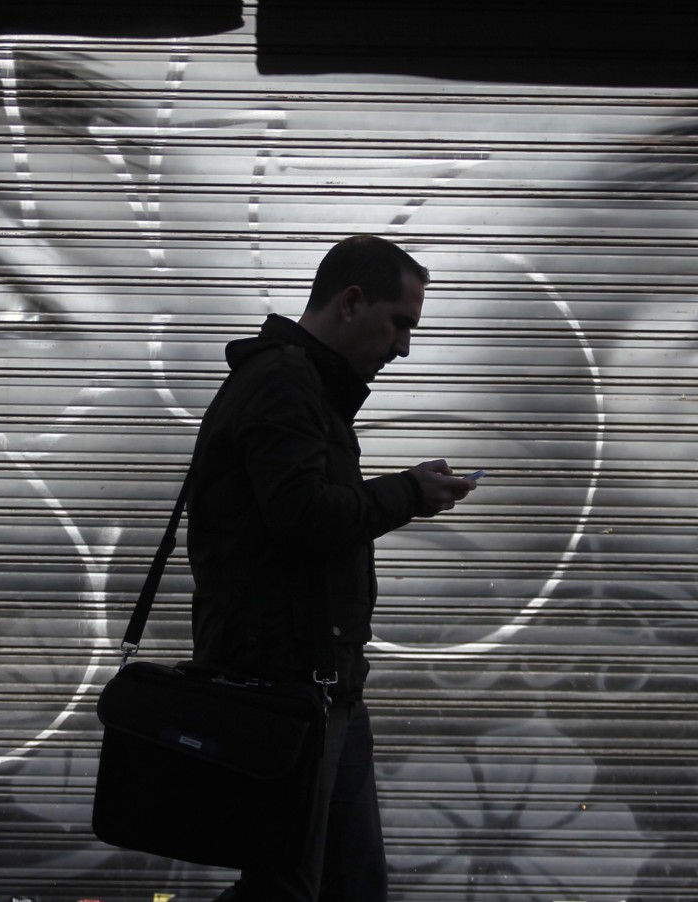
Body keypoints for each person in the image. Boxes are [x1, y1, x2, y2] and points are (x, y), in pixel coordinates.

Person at [186, 234, 478, 902]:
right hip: (286, 687)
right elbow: (303, 516)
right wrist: (409, 493)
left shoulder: (304, 385)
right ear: (351, 303)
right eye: (399, 323)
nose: (403, 348)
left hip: (323, 684)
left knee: (349, 884)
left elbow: (302, 511)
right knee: (287, 885)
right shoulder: (285, 380)